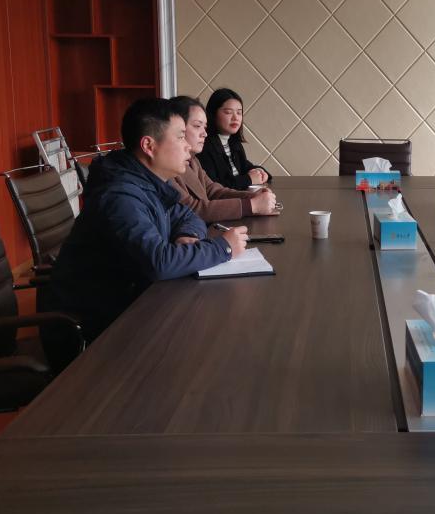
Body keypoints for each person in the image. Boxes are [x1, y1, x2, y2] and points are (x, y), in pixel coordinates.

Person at [49, 97, 248, 366]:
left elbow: (187, 215)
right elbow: (159, 262)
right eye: (180, 137)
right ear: (149, 146)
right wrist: (223, 247)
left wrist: (184, 236)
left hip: (131, 304)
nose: (188, 145)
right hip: (95, 329)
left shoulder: (148, 181)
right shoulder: (120, 195)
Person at [170, 95, 279, 221]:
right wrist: (251, 205)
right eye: (197, 126)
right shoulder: (168, 166)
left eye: (204, 127)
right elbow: (191, 209)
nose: (204, 134)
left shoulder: (193, 160)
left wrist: (251, 196)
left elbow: (214, 191)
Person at [199, 88, 270, 190]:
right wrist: (249, 179)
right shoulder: (204, 146)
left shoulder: (233, 143)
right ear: (213, 114)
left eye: (239, 113)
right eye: (228, 112)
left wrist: (260, 172)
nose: (235, 118)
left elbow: (246, 167)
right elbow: (215, 186)